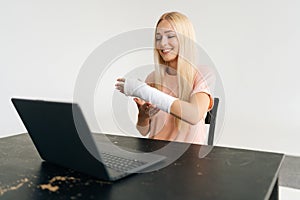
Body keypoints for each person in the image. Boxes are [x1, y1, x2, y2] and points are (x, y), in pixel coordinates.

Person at [115, 11, 214, 144]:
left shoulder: (202, 74)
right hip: (155, 154)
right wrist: (143, 116)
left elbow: (194, 115)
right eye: (158, 37)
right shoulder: (153, 77)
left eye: (170, 36)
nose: (162, 43)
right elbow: (143, 131)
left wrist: (144, 91)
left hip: (188, 159)